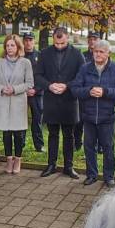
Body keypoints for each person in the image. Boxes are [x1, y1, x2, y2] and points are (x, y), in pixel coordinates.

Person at [72, 40, 115, 188]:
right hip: (88, 116)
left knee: (108, 147)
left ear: (108, 53)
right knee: (89, 147)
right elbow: (75, 88)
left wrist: (105, 92)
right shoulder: (85, 68)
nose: (97, 54)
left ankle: (109, 176)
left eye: (101, 51)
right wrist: (89, 90)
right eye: (96, 51)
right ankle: (91, 175)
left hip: (107, 116)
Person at [34, 27, 83, 179]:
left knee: (69, 135)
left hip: (69, 100)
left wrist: (67, 86)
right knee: (53, 134)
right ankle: (51, 165)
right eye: (56, 43)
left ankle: (69, 166)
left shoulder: (77, 54)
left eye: (62, 43)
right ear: (53, 39)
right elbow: (38, 75)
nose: (59, 46)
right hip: (51, 100)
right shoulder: (44, 53)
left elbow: (82, 76)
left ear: (67, 38)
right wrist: (49, 85)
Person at [0, 34, 34, 174]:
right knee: (6, 133)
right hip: (3, 102)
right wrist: (2, 88)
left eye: (12, 45)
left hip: (18, 102)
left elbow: (29, 83)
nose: (9, 48)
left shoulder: (25, 62)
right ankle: (9, 160)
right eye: (7, 45)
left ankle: (18, 159)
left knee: (19, 133)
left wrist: (14, 89)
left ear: (18, 47)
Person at [22, 32, 44, 152]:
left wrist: (35, 90)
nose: (28, 42)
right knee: (21, 119)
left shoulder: (40, 56)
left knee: (37, 120)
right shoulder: (19, 56)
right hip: (22, 93)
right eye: (26, 40)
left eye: (30, 40)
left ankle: (39, 145)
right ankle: (21, 143)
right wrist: (24, 90)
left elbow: (44, 76)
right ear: (23, 41)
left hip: (37, 93)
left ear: (34, 41)